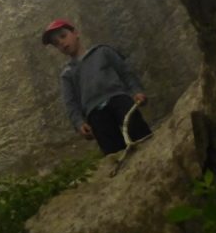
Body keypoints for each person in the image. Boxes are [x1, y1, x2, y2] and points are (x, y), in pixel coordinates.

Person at [41, 18, 152, 155]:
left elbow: (125, 72)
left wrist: (136, 91)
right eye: (56, 44)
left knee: (138, 131)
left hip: (118, 98)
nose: (62, 43)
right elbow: (71, 104)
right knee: (112, 150)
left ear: (75, 33)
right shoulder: (67, 75)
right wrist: (79, 123)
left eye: (63, 36)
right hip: (94, 112)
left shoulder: (103, 52)